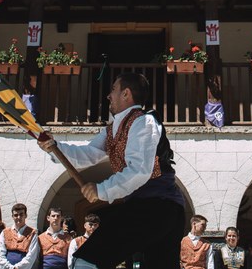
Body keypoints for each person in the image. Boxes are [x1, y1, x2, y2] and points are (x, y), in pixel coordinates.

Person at [37, 73, 185, 269]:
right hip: (154, 209)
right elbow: (88, 154)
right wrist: (54, 147)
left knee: (87, 260)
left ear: (126, 94)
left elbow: (140, 170)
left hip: (158, 206)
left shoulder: (144, 122)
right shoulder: (112, 129)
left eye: (113, 90)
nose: (108, 96)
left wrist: (102, 190)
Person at [0, 203, 38, 269]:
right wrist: (9, 267)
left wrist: (17, 267)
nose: (18, 217)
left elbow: (31, 255)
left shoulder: (32, 233)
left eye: (21, 214)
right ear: (12, 216)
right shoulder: (5, 232)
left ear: (26, 215)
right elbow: (0, 253)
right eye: (16, 215)